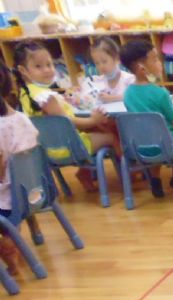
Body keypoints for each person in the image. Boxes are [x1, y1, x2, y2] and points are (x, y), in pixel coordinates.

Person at [12, 40, 115, 192]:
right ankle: (130, 176)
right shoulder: (46, 98)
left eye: (49, 64)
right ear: (23, 70)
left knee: (99, 128)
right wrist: (93, 120)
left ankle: (85, 175)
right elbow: (70, 122)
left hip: (49, 148)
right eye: (38, 66)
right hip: (69, 147)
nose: (47, 70)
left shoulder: (26, 93)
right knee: (112, 135)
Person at [118, 39, 173, 198]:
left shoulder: (128, 94)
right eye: (155, 59)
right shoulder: (160, 93)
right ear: (141, 68)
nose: (160, 63)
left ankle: (156, 181)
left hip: (140, 148)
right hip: (167, 146)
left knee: (152, 141)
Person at [0, 60, 38, 277]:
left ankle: (9, 245)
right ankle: (18, 236)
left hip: (9, 200)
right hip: (34, 191)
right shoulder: (21, 118)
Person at [89, 37, 135, 103]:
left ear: (116, 59)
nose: (101, 66)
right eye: (97, 63)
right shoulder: (98, 81)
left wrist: (112, 98)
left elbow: (135, 96)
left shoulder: (129, 79)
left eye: (104, 61)